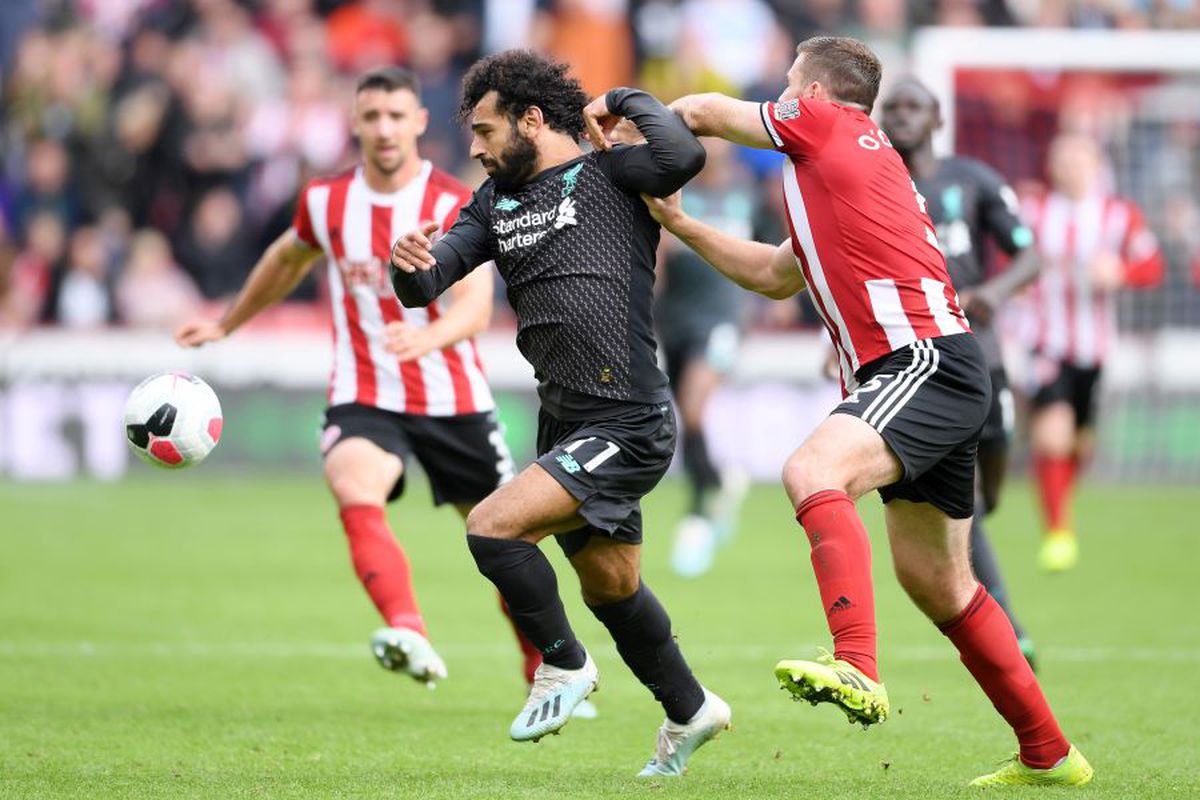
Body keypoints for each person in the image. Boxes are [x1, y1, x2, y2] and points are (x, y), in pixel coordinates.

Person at [634, 36, 1092, 786]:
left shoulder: (829, 123)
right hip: (936, 367)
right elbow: (778, 275)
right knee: (940, 585)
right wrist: (681, 225)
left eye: (788, 86)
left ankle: (856, 665)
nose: (781, 97)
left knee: (812, 468)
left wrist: (639, 118)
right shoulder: (838, 175)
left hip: (921, 362)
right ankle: (1050, 751)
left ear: (810, 92)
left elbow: (707, 111)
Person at [174, 67, 585, 713]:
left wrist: (429, 337)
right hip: (364, 392)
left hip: (452, 400)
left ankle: (547, 667)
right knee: (352, 484)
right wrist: (228, 322)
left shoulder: (454, 199)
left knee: (504, 540)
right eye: (372, 117)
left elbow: (477, 306)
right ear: (356, 124)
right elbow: (287, 259)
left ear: (418, 122)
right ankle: (406, 627)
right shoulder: (327, 202)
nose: (385, 129)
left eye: (397, 116)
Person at [389, 50, 730, 777]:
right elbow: (428, 283)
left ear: (532, 119)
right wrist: (408, 263)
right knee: (612, 587)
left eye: (485, 131)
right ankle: (691, 708)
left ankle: (564, 666)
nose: (475, 148)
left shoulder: (613, 173)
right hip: (566, 421)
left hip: (628, 418)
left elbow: (683, 153)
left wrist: (621, 99)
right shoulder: (493, 202)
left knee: (491, 527)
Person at [879, 77, 1039, 666]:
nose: (900, 115)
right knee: (966, 495)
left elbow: (1030, 255)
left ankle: (980, 560)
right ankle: (1008, 626)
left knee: (988, 495)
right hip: (920, 361)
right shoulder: (873, 185)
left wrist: (993, 291)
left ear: (937, 118)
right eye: (890, 107)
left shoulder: (973, 181)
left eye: (912, 106)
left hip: (986, 357)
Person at [1021, 133, 1163, 572]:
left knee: (1079, 445)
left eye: (1079, 161)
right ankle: (1058, 531)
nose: (1070, 169)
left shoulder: (1119, 215)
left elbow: (1152, 265)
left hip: (1095, 349)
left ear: (1096, 166)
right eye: (1062, 161)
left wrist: (1120, 271)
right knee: (1052, 436)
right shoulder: (1034, 212)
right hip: (1046, 342)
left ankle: (1061, 506)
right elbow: (1007, 258)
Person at [655, 138, 752, 578]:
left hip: (721, 320)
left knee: (694, 408)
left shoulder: (747, 196)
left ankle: (698, 510)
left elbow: (775, 251)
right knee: (682, 416)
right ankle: (717, 484)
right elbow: (656, 261)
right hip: (675, 320)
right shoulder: (677, 196)